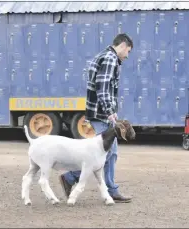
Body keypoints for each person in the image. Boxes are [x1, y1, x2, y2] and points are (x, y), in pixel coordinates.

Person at [59, 33, 134, 203]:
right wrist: (109, 111)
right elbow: (102, 87)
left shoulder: (103, 55)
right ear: (122, 45)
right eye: (128, 51)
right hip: (101, 113)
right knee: (109, 152)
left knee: (103, 153)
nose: (127, 55)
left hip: (99, 112)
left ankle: (72, 178)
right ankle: (108, 189)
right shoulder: (109, 58)